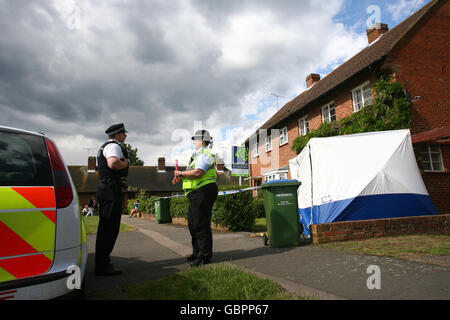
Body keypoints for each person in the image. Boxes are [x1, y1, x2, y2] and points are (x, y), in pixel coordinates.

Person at [173, 130, 218, 267]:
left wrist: (180, 173)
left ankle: (204, 256)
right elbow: (193, 173)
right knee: (193, 224)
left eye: (196, 139)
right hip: (197, 193)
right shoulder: (197, 155)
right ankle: (197, 253)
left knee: (200, 224)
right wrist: (181, 176)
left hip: (203, 191)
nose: (194, 142)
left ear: (203, 140)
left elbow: (198, 172)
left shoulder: (204, 154)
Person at [95, 123, 130, 276]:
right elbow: (113, 163)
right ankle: (103, 265)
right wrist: (126, 163)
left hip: (107, 188)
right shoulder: (114, 146)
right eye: (123, 133)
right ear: (117, 135)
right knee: (109, 227)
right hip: (111, 189)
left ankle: (102, 262)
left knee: (106, 227)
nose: (125, 135)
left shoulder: (106, 146)